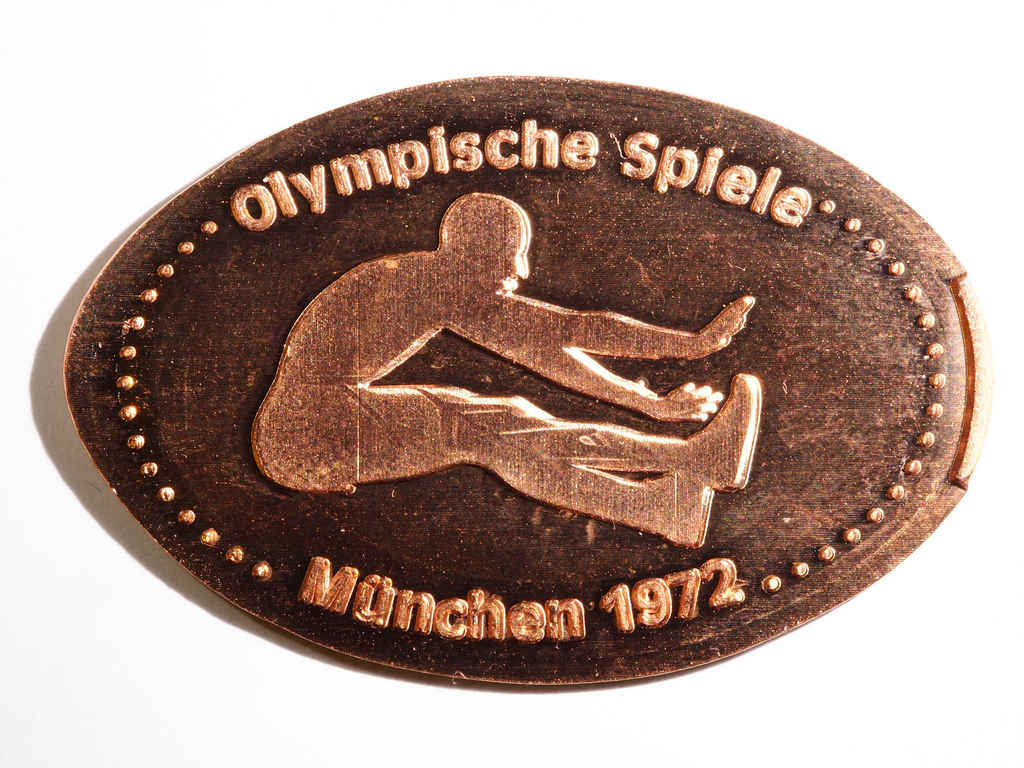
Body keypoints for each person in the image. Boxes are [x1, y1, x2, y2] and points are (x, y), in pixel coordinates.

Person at [252, 193, 762, 547]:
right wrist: (691, 345)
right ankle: (696, 459)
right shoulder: (427, 283)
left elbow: (548, 352)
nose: (521, 272)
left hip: (303, 432)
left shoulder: (435, 282)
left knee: (501, 435)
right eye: (511, 255)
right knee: (490, 424)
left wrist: (649, 403)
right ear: (470, 251)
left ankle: (657, 509)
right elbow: (571, 330)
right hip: (309, 426)